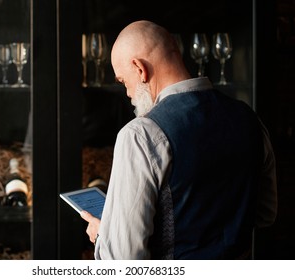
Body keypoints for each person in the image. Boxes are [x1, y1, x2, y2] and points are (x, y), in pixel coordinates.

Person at [81, 20, 277, 259]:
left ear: (140, 69)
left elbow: (124, 260)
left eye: (123, 81)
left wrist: (105, 236)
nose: (128, 94)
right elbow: (265, 213)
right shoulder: (250, 119)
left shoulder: (140, 135)